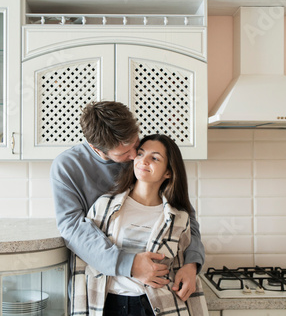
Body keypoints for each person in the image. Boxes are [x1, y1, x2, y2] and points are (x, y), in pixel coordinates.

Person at [50, 101, 205, 310]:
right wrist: (130, 264)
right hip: (108, 291)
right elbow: (73, 229)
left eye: (136, 144)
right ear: (96, 148)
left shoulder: (144, 159)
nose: (134, 157)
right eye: (124, 154)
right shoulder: (67, 168)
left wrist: (192, 263)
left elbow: (184, 216)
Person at [72, 134, 209, 316]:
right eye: (140, 154)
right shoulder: (104, 206)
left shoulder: (178, 218)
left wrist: (192, 267)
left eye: (154, 158)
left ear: (168, 172)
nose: (143, 161)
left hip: (156, 307)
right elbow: (83, 260)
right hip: (108, 305)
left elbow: (183, 270)